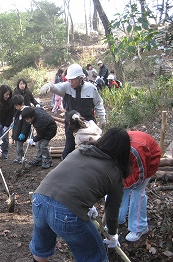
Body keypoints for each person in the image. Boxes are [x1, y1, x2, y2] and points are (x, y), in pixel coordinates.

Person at [29, 127, 132, 262]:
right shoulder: (115, 173)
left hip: (39, 199)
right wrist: (112, 235)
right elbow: (112, 211)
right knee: (95, 257)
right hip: (66, 213)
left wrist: (85, 206)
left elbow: (71, 179)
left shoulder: (81, 151)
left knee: (41, 249)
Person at [40, 63, 106, 159]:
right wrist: (48, 86)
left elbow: (98, 104)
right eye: (69, 80)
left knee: (91, 144)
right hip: (71, 122)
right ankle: (66, 164)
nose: (70, 82)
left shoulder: (91, 88)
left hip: (88, 122)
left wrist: (102, 118)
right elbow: (56, 87)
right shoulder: (66, 87)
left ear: (81, 78)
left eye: (73, 80)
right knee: (70, 144)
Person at [119, 131, 161, 242]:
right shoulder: (111, 148)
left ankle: (139, 227)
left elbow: (139, 176)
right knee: (120, 189)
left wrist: (125, 184)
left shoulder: (136, 150)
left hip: (148, 160)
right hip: (128, 161)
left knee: (137, 192)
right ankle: (118, 218)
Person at [0, 84, 14, 159]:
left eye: (9, 94)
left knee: (5, 138)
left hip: (5, 121)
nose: (7, 96)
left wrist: (7, 125)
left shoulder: (10, 101)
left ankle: (4, 152)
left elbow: (10, 114)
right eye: (6, 94)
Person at [12, 94, 31, 164]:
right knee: (16, 146)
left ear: (22, 104)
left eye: (17, 105)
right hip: (16, 131)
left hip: (21, 133)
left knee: (19, 147)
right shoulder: (18, 111)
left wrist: (23, 133)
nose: (16, 107)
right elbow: (16, 119)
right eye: (15, 106)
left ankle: (23, 157)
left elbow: (26, 124)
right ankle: (18, 157)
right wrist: (13, 124)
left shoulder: (25, 111)